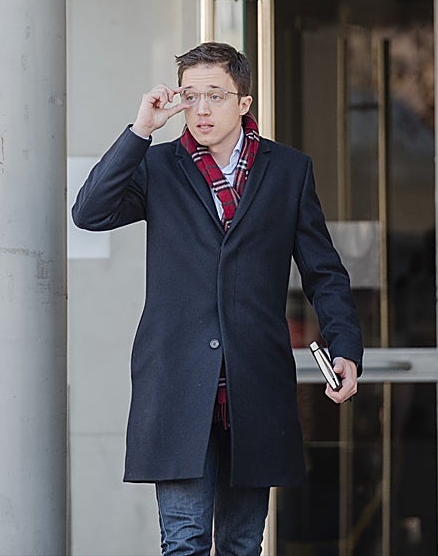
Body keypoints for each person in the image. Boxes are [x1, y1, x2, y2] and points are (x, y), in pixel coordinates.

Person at [72, 42, 363, 556]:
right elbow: (90, 212)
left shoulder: (288, 170)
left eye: (215, 95)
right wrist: (141, 130)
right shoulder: (158, 165)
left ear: (244, 102)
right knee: (183, 543)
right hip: (177, 383)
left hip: (255, 382)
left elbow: (324, 272)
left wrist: (345, 348)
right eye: (191, 95)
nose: (201, 109)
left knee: (241, 545)